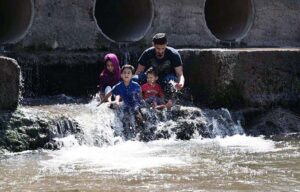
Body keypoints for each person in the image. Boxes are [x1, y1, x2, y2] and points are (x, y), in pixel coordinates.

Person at [134, 33, 185, 106]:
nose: (160, 51)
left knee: (171, 81)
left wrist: (181, 83)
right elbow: (138, 72)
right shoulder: (147, 53)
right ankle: (135, 100)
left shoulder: (174, 54)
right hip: (151, 79)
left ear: (166, 45)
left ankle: (169, 101)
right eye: (158, 48)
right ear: (153, 45)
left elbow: (180, 74)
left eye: (163, 48)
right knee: (135, 79)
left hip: (167, 79)